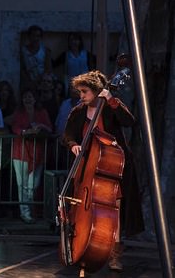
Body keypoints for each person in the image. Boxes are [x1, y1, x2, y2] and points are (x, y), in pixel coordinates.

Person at [61, 70, 143, 272]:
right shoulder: (78, 112)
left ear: (97, 91)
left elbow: (129, 121)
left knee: (113, 211)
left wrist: (111, 99)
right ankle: (82, 248)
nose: (81, 96)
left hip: (110, 167)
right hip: (86, 167)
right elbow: (68, 135)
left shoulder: (110, 107)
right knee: (80, 207)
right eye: (80, 92)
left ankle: (115, 255)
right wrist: (73, 145)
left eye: (84, 92)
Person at [11, 88, 52, 224]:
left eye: (30, 97)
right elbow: (15, 128)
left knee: (34, 184)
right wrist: (26, 131)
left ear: (35, 99)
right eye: (25, 97)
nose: (28, 99)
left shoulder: (42, 112)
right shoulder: (19, 113)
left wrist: (39, 126)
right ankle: (25, 213)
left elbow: (49, 128)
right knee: (21, 184)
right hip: (20, 151)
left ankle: (32, 209)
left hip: (37, 150)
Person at [20, 25, 52, 90]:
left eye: (38, 36)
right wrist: (29, 81)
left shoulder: (45, 51)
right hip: (28, 82)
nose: (35, 38)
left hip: (42, 82)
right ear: (29, 36)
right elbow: (22, 68)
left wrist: (40, 80)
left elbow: (48, 68)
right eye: (33, 36)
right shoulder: (23, 51)